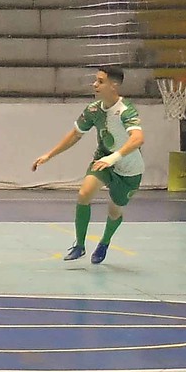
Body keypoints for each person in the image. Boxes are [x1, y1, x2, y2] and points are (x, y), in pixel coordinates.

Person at [32, 66, 146, 266]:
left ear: (114, 85)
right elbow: (76, 134)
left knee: (114, 212)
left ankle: (104, 242)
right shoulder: (93, 110)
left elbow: (137, 139)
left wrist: (115, 158)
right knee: (84, 193)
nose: (95, 84)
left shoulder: (125, 111)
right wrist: (49, 155)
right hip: (103, 160)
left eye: (100, 81)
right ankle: (80, 245)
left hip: (129, 168)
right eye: (96, 80)